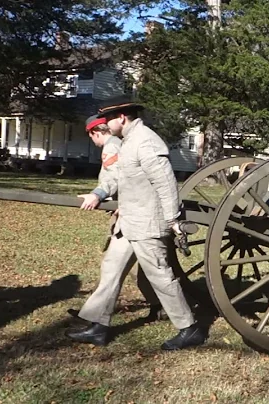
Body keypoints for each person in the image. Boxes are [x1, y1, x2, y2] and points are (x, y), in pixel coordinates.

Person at [66, 98, 205, 350]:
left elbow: (165, 183)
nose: (106, 126)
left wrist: (173, 219)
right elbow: (117, 176)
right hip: (129, 221)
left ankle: (189, 328)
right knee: (112, 268)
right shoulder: (128, 142)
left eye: (109, 120)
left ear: (122, 117)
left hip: (148, 223)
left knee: (160, 275)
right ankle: (98, 326)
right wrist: (98, 193)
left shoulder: (146, 141)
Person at [70, 115, 178, 323]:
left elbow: (115, 178)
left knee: (142, 271)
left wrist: (98, 194)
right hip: (134, 213)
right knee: (130, 269)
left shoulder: (112, 146)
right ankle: (96, 320)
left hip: (135, 216)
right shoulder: (124, 143)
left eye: (91, 136)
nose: (93, 141)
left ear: (96, 132)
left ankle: (184, 322)